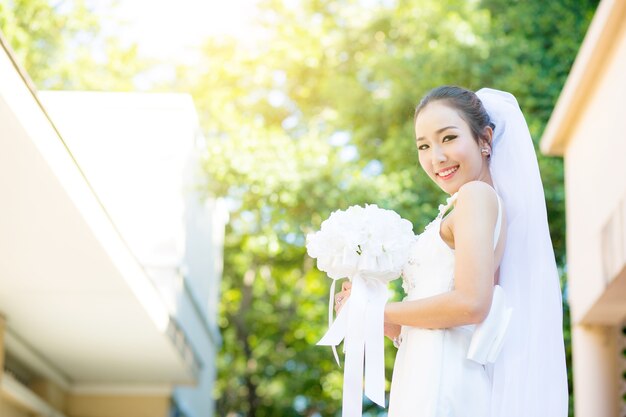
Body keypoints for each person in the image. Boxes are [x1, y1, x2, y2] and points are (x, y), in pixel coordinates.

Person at [334, 86, 568, 416]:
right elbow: (438, 324)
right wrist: (368, 312)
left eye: (448, 138)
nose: (436, 157)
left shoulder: (476, 196)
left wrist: (376, 311)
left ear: (484, 140)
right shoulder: (464, 205)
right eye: (424, 146)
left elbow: (471, 303)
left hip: (443, 384)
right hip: (422, 373)